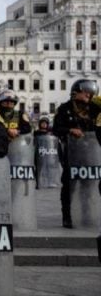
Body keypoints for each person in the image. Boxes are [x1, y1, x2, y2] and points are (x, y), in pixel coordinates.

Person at [52, 79, 101, 228]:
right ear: (76, 92)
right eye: (85, 91)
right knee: (69, 185)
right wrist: (69, 130)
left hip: (92, 154)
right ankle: (68, 216)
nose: (88, 94)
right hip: (71, 154)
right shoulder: (64, 108)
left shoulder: (95, 108)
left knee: (89, 184)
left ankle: (87, 214)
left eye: (90, 92)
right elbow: (56, 129)